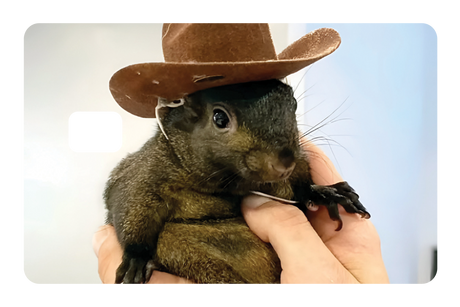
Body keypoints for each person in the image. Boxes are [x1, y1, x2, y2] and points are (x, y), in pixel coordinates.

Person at [93, 140, 389, 286]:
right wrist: (137, 252)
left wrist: (310, 192)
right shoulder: (162, 167)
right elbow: (127, 195)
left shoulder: (291, 158)